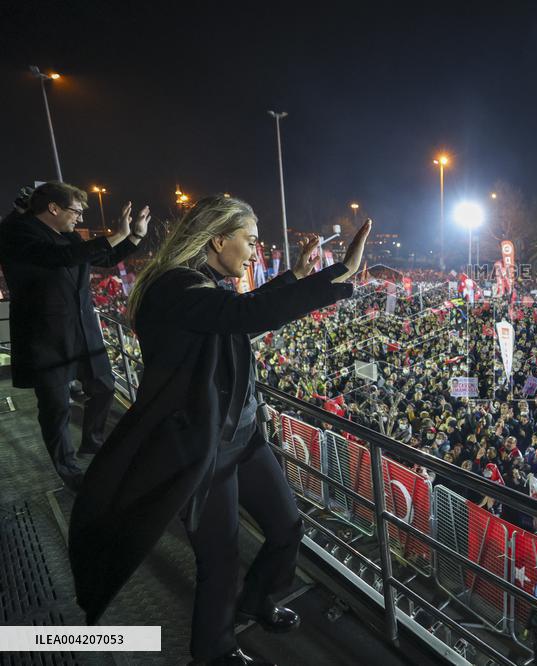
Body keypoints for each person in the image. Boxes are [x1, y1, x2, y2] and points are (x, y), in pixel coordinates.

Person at [69, 195, 370, 666]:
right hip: (204, 447)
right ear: (218, 240)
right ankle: (215, 650)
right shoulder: (175, 287)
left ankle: (258, 599)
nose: (253, 252)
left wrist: (295, 275)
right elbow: (242, 315)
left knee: (287, 527)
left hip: (243, 438)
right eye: (250, 241)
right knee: (220, 557)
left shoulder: (201, 285)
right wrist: (338, 274)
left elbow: (240, 311)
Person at [0, 182, 148, 491]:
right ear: (53, 208)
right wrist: (115, 235)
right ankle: (67, 470)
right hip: (45, 337)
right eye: (76, 212)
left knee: (104, 387)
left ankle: (92, 442)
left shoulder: (67, 235)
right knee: (56, 409)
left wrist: (134, 236)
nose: (80, 218)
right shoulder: (17, 234)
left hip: (82, 330)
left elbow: (102, 258)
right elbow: (60, 257)